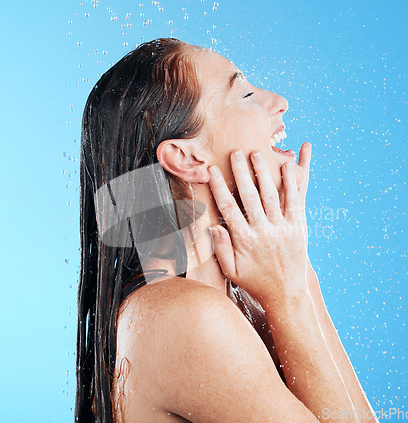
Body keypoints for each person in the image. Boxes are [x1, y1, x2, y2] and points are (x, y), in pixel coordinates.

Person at [76, 38, 377, 423]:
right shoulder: (183, 315)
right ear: (186, 158)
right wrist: (290, 292)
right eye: (246, 93)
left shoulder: (234, 301)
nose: (279, 101)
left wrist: (299, 276)